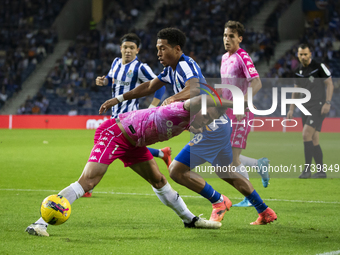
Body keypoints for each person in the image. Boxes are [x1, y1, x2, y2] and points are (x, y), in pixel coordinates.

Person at [100, 28, 277, 225]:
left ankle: (218, 201)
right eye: (157, 49)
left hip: (212, 128)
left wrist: (173, 98)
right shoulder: (170, 70)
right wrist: (118, 98)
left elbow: (195, 88)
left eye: (162, 48)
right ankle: (264, 210)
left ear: (176, 49)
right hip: (217, 126)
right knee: (226, 172)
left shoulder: (185, 64)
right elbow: (149, 87)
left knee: (176, 170)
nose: (158, 53)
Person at [25, 96, 226, 237]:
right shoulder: (180, 109)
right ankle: (39, 223)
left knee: (159, 180)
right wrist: (231, 100)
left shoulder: (190, 122)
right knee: (89, 181)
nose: (208, 121)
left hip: (135, 143)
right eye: (208, 116)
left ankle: (189, 220)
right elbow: (198, 99)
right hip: (114, 134)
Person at [84, 33, 171, 198]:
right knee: (127, 149)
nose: (128, 50)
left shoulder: (140, 67)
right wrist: (104, 81)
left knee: (105, 148)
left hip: (130, 119)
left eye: (132, 48)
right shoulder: (116, 63)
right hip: (114, 117)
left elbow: (159, 86)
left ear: (137, 50)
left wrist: (151, 108)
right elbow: (112, 79)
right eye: (125, 47)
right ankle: (162, 153)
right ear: (120, 48)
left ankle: (88, 186)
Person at [219, 20, 270, 207]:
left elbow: (257, 83)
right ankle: (259, 165)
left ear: (240, 38)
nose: (227, 39)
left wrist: (241, 104)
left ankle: (250, 198)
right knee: (227, 156)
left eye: (231, 36)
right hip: (228, 114)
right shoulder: (224, 58)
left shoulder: (243, 56)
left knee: (232, 160)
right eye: (225, 35)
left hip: (242, 113)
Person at [287, 44, 334, 179]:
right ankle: (321, 171)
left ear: (310, 54)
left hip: (318, 106)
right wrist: (291, 109)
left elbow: (329, 83)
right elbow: (296, 91)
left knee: (305, 135)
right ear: (298, 55)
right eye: (301, 54)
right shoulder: (298, 71)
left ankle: (307, 170)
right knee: (314, 139)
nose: (303, 57)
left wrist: (328, 102)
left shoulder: (319, 67)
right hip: (305, 108)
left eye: (305, 54)